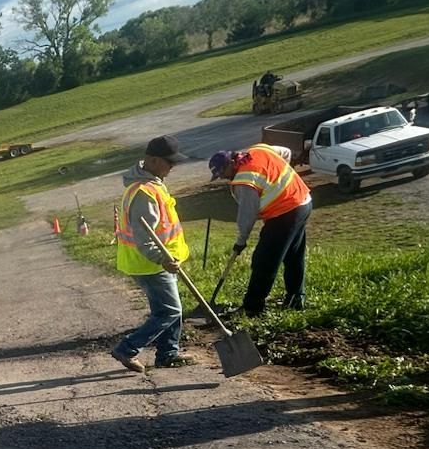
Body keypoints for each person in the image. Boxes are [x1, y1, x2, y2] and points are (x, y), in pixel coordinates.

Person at [110, 135, 195, 372]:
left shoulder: (152, 183)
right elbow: (144, 237)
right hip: (150, 264)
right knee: (170, 310)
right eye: (169, 162)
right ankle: (127, 349)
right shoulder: (143, 193)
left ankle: (168, 353)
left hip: (161, 261)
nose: (173, 166)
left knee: (167, 310)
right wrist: (162, 259)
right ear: (153, 160)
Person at [210, 142, 313, 316]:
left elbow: (247, 215)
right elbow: (286, 152)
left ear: (230, 163)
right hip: (303, 201)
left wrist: (241, 241)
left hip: (284, 213)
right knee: (294, 254)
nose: (222, 178)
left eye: (221, 173)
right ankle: (295, 299)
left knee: (264, 261)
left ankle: (252, 307)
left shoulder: (244, 181)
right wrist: (278, 182)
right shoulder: (259, 149)